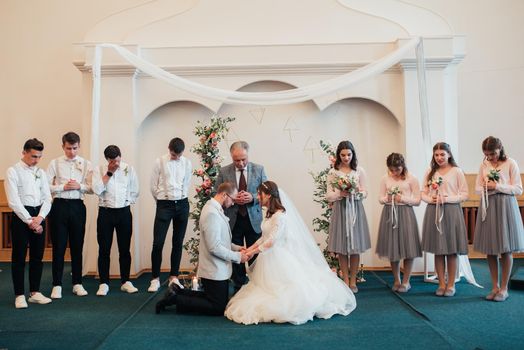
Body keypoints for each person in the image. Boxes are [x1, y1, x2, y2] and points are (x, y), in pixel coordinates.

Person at [225, 181, 356, 325]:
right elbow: (264, 237)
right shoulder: (270, 214)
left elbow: (271, 242)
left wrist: (252, 253)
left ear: (268, 195)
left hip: (279, 257)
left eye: (259, 193)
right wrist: (248, 249)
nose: (257, 196)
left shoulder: (280, 216)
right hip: (268, 256)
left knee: (283, 291)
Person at [155, 182, 249, 315]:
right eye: (233, 199)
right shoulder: (212, 213)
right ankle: (176, 298)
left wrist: (236, 248)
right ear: (224, 195)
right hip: (213, 269)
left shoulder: (215, 208)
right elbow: (214, 247)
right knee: (217, 307)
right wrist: (238, 257)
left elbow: (220, 240)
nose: (233, 203)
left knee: (213, 299)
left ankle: (178, 291)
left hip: (217, 268)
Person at [473, 136, 524, 302]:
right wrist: (485, 189)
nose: (490, 157)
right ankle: (494, 286)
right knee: (490, 248)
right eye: (486, 154)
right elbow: (477, 188)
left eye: (492, 153)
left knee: (505, 248)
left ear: (500, 149)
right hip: (488, 205)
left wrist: (497, 186)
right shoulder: (484, 165)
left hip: (505, 205)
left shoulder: (511, 163)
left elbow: (518, 189)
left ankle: (504, 288)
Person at [5, 138, 52, 308]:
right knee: (19, 257)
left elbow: (48, 197)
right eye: (33, 156)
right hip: (21, 216)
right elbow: (13, 200)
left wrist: (40, 218)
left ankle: (35, 292)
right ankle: (19, 295)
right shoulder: (13, 171)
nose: (36, 160)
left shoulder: (41, 172)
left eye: (39, 157)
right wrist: (29, 221)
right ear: (24, 152)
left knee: (37, 256)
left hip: (39, 215)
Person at [215, 141, 267, 291]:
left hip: (254, 220)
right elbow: (216, 194)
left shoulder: (259, 169)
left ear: (248, 154)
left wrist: (252, 198)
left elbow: (267, 194)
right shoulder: (224, 171)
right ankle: (238, 286)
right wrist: (230, 198)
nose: (241, 163)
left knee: (256, 254)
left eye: (244, 159)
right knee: (236, 254)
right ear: (232, 157)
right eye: (236, 160)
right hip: (233, 219)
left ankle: (257, 286)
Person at [47, 132, 92, 299]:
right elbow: (45, 186)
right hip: (59, 205)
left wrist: (79, 185)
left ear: (79, 146)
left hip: (78, 207)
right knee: (58, 247)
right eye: (68, 148)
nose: (71, 152)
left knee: (77, 246)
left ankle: (77, 283)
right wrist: (61, 187)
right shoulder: (54, 163)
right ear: (62, 146)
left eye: (74, 148)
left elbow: (92, 188)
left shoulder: (86, 164)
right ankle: (56, 285)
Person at [421, 142, 468, 297]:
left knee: (451, 250)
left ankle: (451, 284)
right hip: (434, 211)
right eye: (436, 155)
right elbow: (423, 192)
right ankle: (441, 283)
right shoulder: (430, 172)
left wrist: (448, 199)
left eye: (442, 154)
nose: (439, 157)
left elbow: (464, 194)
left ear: (449, 154)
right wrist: (430, 199)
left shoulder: (457, 171)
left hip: (451, 211)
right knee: (438, 250)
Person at [92, 145, 139, 296]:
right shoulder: (99, 170)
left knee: (124, 249)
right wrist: (109, 173)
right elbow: (97, 190)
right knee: (104, 249)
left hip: (124, 213)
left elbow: (135, 189)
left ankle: (125, 281)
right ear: (108, 160)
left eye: (118, 160)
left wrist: (127, 201)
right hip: (105, 213)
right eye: (113, 162)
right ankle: (104, 283)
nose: (117, 164)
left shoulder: (128, 168)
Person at [326, 141, 371, 293]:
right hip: (340, 209)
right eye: (343, 155)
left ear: (353, 154)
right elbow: (329, 195)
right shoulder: (333, 172)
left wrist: (356, 193)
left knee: (355, 247)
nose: (346, 158)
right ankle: (345, 280)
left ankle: (353, 280)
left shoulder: (359, 171)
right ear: (338, 155)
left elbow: (365, 192)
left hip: (356, 209)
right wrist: (340, 193)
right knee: (342, 248)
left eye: (349, 154)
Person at [148, 138, 192, 292]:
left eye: (179, 155)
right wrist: (162, 201)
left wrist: (180, 200)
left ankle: (174, 277)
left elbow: (186, 184)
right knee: (157, 243)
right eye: (174, 155)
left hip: (182, 204)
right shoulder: (159, 162)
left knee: (177, 242)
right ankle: (155, 279)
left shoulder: (187, 163)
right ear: (169, 149)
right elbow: (153, 186)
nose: (176, 158)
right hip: (164, 204)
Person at [376, 153, 422, 293]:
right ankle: (396, 279)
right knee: (393, 248)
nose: (394, 172)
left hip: (406, 213)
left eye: (397, 169)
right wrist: (387, 199)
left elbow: (417, 200)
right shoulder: (385, 178)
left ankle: (406, 281)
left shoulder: (412, 178)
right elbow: (380, 197)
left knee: (408, 248)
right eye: (392, 170)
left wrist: (402, 198)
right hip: (389, 213)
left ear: (403, 166)